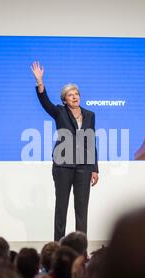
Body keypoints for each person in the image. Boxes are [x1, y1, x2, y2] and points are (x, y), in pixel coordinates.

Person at [31, 61, 99, 241]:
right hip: (63, 166)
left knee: (82, 209)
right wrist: (40, 82)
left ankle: (81, 248)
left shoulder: (90, 115)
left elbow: (91, 142)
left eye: (76, 94)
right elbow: (45, 103)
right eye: (70, 95)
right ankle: (57, 246)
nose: (75, 97)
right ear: (64, 100)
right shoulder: (59, 112)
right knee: (61, 208)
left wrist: (95, 168)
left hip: (84, 166)